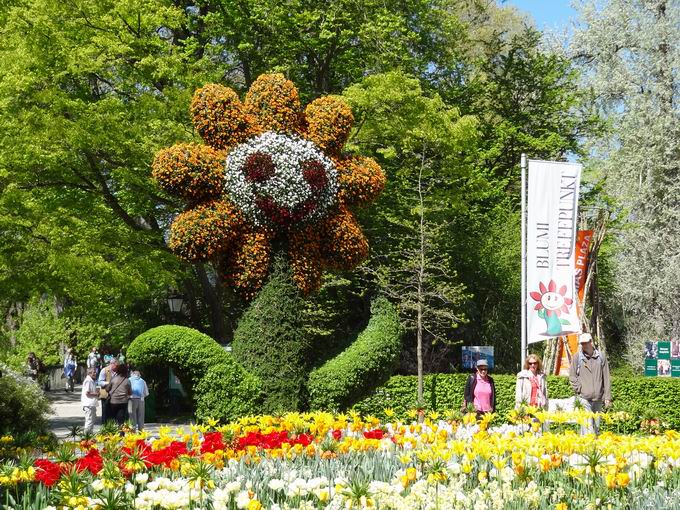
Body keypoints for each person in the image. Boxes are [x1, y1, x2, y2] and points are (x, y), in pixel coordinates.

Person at [569, 333, 612, 435]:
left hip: (598, 398)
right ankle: (586, 448)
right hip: (584, 398)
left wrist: (607, 396)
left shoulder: (601, 357)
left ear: (591, 342)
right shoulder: (577, 357)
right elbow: (572, 376)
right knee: (587, 426)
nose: (584, 345)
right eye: (582, 343)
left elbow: (606, 377)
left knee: (596, 427)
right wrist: (580, 389)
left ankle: (593, 449)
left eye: (586, 343)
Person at [98, 357, 119, 424]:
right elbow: (100, 382)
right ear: (111, 364)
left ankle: (113, 429)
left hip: (115, 396)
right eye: (116, 366)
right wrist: (108, 383)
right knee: (105, 414)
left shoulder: (118, 371)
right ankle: (105, 429)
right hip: (106, 396)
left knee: (114, 414)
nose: (117, 367)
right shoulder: (104, 370)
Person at [81, 367, 99, 434]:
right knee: (89, 421)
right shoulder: (88, 380)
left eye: (95, 372)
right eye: (94, 372)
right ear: (89, 373)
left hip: (91, 404)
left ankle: (89, 435)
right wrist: (96, 394)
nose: (95, 373)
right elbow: (87, 393)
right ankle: (86, 436)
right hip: (89, 404)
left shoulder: (91, 380)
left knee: (91, 420)